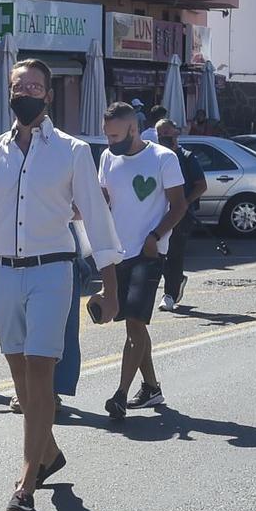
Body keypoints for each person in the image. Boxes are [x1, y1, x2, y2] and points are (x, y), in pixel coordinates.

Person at [0, 60, 120, 511]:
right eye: (19, 86)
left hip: (53, 271)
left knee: (40, 374)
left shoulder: (72, 151)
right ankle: (49, 453)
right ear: (9, 93)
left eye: (35, 86)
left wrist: (109, 286)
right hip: (1, 272)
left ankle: (27, 478)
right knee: (18, 375)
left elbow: (97, 217)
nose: (27, 92)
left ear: (48, 95)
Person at [97, 103, 187, 421]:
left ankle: (120, 395)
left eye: (115, 135)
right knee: (131, 323)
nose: (110, 142)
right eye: (107, 135)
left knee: (135, 323)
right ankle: (151, 387)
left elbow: (179, 205)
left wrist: (155, 236)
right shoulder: (108, 158)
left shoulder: (163, 158)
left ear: (133, 129)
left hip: (149, 253)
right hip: (118, 252)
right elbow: (106, 198)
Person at [151, 115, 210, 311]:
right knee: (158, 253)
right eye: (160, 134)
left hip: (181, 214)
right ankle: (174, 283)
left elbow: (201, 185)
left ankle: (169, 294)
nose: (164, 137)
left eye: (166, 133)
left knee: (174, 254)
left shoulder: (186, 157)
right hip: (158, 213)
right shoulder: (155, 157)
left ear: (176, 133)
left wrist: (183, 202)